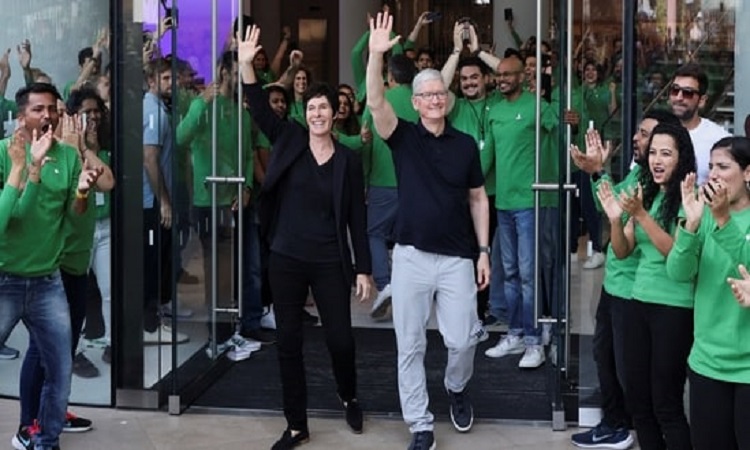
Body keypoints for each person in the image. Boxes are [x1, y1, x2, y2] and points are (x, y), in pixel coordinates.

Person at [239, 25, 373, 450]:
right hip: (286, 257)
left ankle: (348, 394)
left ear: (336, 113)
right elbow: (259, 107)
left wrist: (364, 268)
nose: (317, 114)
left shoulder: (348, 161)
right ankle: (296, 423)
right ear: (305, 111)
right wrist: (245, 64)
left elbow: (356, 216)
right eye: (311, 107)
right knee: (289, 342)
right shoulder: (290, 137)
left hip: (330, 259)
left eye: (324, 108)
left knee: (341, 339)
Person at [366, 12, 490, 450]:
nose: (435, 99)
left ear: (447, 100)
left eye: (440, 92)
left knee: (461, 341)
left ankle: (457, 387)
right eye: (427, 94)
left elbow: (478, 198)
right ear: (415, 103)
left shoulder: (463, 145)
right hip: (411, 257)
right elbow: (376, 101)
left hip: (457, 256)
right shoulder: (402, 138)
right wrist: (376, 57)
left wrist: (483, 251)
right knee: (410, 346)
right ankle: (420, 423)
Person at [569, 109, 681, 449]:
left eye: (647, 135)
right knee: (606, 358)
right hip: (615, 284)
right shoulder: (640, 176)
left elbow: (674, 253)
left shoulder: (666, 189)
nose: (638, 139)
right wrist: (597, 172)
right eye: (642, 135)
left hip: (637, 294)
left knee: (637, 379)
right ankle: (616, 424)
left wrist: (599, 172)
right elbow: (612, 207)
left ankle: (619, 425)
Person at [0, 82, 101, 450]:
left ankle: (45, 441)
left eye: (51, 110)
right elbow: (4, 221)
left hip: (48, 280)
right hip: (5, 277)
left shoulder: (69, 156)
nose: (46, 116)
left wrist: (83, 192)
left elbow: (74, 220)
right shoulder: (3, 154)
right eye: (37, 109)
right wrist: (28, 170)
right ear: (20, 115)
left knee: (59, 371)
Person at [598, 122, 697, 450]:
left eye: (665, 154)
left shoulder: (690, 200)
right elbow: (623, 252)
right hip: (637, 301)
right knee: (639, 403)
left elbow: (677, 253)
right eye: (653, 152)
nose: (656, 159)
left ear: (681, 158)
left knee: (665, 404)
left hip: (674, 308)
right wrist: (616, 219)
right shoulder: (647, 195)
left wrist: (640, 215)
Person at [666, 137, 750, 450]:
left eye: (724, 167)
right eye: (711, 166)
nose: (713, 174)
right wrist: (690, 225)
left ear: (748, 173)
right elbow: (678, 272)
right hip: (706, 363)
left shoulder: (726, 216)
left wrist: (722, 219)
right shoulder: (701, 214)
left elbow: (746, 263)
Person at [482, 54, 557, 369]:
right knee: (509, 274)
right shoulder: (495, 111)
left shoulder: (537, 106)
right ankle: (514, 334)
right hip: (504, 203)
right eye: (498, 76)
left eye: (507, 75)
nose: (501, 80)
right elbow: (488, 155)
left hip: (530, 202)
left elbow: (563, 129)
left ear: (523, 78)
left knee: (528, 275)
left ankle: (534, 340)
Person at [668, 63, 729, 185]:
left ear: (701, 101)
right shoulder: (654, 132)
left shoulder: (719, 138)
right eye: (675, 90)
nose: (679, 97)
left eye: (687, 93)